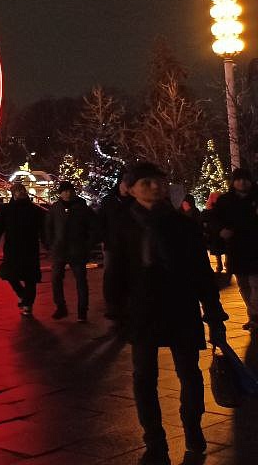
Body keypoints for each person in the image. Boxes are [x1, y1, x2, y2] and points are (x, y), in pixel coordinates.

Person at [107, 162, 227, 464]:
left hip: (181, 307)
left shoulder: (182, 224)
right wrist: (116, 312)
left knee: (189, 374)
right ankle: (154, 439)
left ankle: (193, 429)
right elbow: (115, 273)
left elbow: (201, 272)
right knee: (144, 377)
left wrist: (213, 312)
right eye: (145, 182)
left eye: (158, 181)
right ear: (131, 188)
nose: (154, 187)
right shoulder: (123, 225)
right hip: (143, 311)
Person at [45, 182, 98, 321]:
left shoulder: (82, 208)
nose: (67, 194)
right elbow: (48, 227)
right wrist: (51, 243)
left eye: (69, 191)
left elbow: (93, 227)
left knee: (80, 280)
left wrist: (88, 244)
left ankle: (82, 311)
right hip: (59, 249)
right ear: (60, 193)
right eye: (64, 191)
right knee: (56, 279)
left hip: (77, 249)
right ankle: (60, 306)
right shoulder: (55, 208)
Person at [0, 182, 45, 315]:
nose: (20, 193)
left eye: (22, 190)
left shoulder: (34, 210)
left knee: (30, 278)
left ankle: (27, 304)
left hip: (29, 247)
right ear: (13, 193)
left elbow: (43, 227)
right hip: (12, 248)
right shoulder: (6, 210)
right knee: (10, 274)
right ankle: (24, 296)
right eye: (18, 191)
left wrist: (46, 241)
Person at [215, 167, 258, 331]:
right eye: (238, 179)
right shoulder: (225, 200)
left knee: (256, 284)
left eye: (245, 179)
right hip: (236, 249)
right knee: (244, 285)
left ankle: (255, 317)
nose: (242, 182)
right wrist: (221, 230)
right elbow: (214, 219)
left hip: (255, 247)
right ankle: (253, 316)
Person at [99, 174, 132, 320]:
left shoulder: (133, 201)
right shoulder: (108, 200)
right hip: (112, 244)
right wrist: (104, 239)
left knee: (127, 274)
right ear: (120, 183)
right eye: (126, 183)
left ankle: (126, 305)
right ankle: (112, 306)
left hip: (130, 245)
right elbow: (101, 221)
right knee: (111, 275)